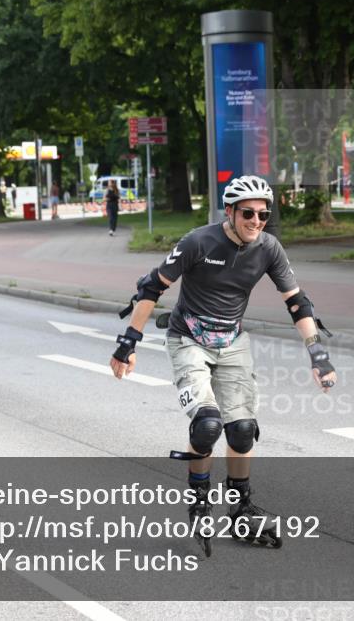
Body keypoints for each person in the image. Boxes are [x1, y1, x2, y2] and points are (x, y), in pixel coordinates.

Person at [109, 175, 337, 556]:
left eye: (264, 214)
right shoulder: (199, 241)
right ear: (229, 212)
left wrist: (318, 354)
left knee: (243, 429)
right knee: (207, 424)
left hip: (232, 343)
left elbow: (297, 302)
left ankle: (240, 506)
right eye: (248, 213)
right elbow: (152, 287)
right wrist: (128, 342)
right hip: (188, 340)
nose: (256, 221)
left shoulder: (268, 248)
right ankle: (199, 500)